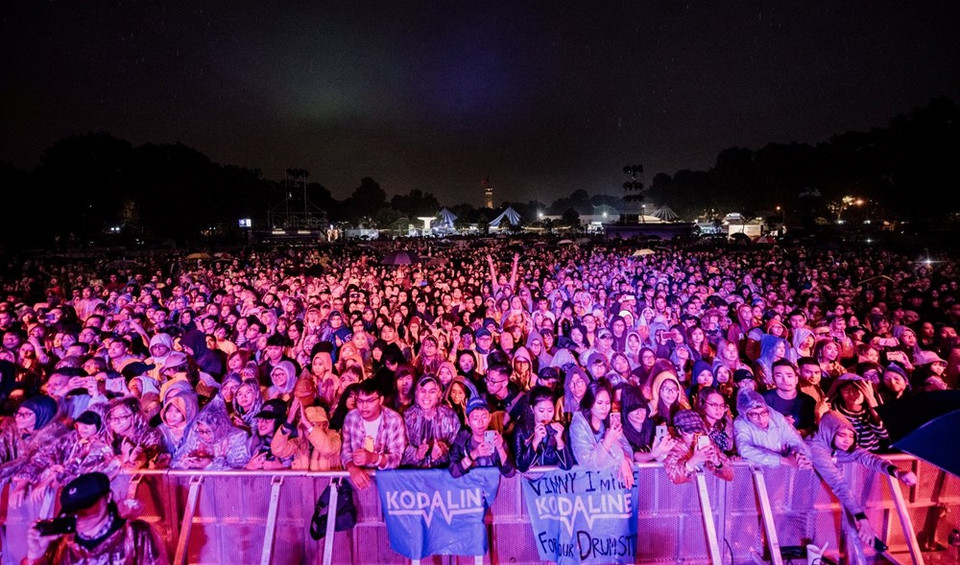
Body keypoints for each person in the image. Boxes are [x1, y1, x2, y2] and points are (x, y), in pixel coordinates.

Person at [806, 411, 918, 549]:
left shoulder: (835, 443)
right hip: (796, 502)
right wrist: (862, 520)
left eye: (851, 436)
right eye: (842, 435)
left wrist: (898, 472)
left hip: (814, 501)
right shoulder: (815, 447)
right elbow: (838, 484)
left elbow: (867, 457)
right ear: (829, 431)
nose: (847, 440)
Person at [25, 472, 168, 564]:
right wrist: (35, 555)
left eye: (87, 506)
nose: (81, 516)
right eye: (73, 511)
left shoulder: (136, 534)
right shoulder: (62, 543)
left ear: (108, 497)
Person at [340, 379, 406, 490]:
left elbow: (396, 459)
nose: (364, 406)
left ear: (380, 400)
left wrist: (372, 458)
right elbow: (345, 451)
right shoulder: (351, 418)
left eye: (370, 401)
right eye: (360, 401)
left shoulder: (394, 420)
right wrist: (351, 467)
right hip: (356, 484)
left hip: (386, 485)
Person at [569, 378, 634, 488]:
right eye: (599, 403)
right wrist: (608, 441)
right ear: (590, 402)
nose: (604, 408)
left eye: (607, 403)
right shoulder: (578, 425)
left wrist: (624, 460)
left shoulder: (609, 421)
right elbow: (589, 463)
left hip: (609, 487)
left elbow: (627, 450)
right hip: (585, 487)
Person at [733, 389, 812, 469]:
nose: (761, 418)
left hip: (783, 470)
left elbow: (795, 440)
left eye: (763, 412)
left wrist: (796, 454)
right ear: (745, 414)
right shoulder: (740, 423)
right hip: (756, 470)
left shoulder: (776, 416)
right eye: (754, 414)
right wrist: (783, 460)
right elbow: (744, 449)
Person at [402, 374, 461, 469]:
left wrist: (443, 450)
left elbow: (458, 450)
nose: (426, 396)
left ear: (439, 394)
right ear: (416, 393)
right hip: (414, 475)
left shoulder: (450, 416)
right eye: (423, 391)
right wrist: (416, 454)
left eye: (432, 392)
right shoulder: (407, 417)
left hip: (443, 474)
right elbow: (399, 450)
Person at [449, 395, 515, 478]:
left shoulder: (496, 437)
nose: (480, 422)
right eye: (475, 418)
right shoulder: (461, 439)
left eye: (484, 417)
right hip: (470, 489)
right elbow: (454, 471)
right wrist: (474, 454)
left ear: (490, 418)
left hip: (493, 487)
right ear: (468, 421)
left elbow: (509, 473)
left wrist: (500, 448)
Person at [512, 385, 575, 471]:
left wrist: (559, 441)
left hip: (553, 481)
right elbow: (521, 466)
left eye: (550, 410)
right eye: (541, 411)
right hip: (529, 481)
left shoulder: (559, 429)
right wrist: (535, 441)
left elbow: (567, 466)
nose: (546, 415)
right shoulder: (521, 429)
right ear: (532, 408)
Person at [663, 409, 734, 484]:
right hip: (678, 494)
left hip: (704, 491)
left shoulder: (707, 444)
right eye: (690, 432)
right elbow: (674, 477)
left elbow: (730, 475)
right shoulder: (673, 446)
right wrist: (694, 460)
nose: (695, 436)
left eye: (698, 431)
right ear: (679, 431)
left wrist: (717, 463)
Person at [762, 360, 817, 437]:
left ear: (796, 379)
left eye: (789, 376)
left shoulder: (808, 401)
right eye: (779, 376)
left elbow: (812, 427)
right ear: (773, 379)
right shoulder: (763, 399)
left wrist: (800, 432)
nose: (785, 380)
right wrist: (779, 422)